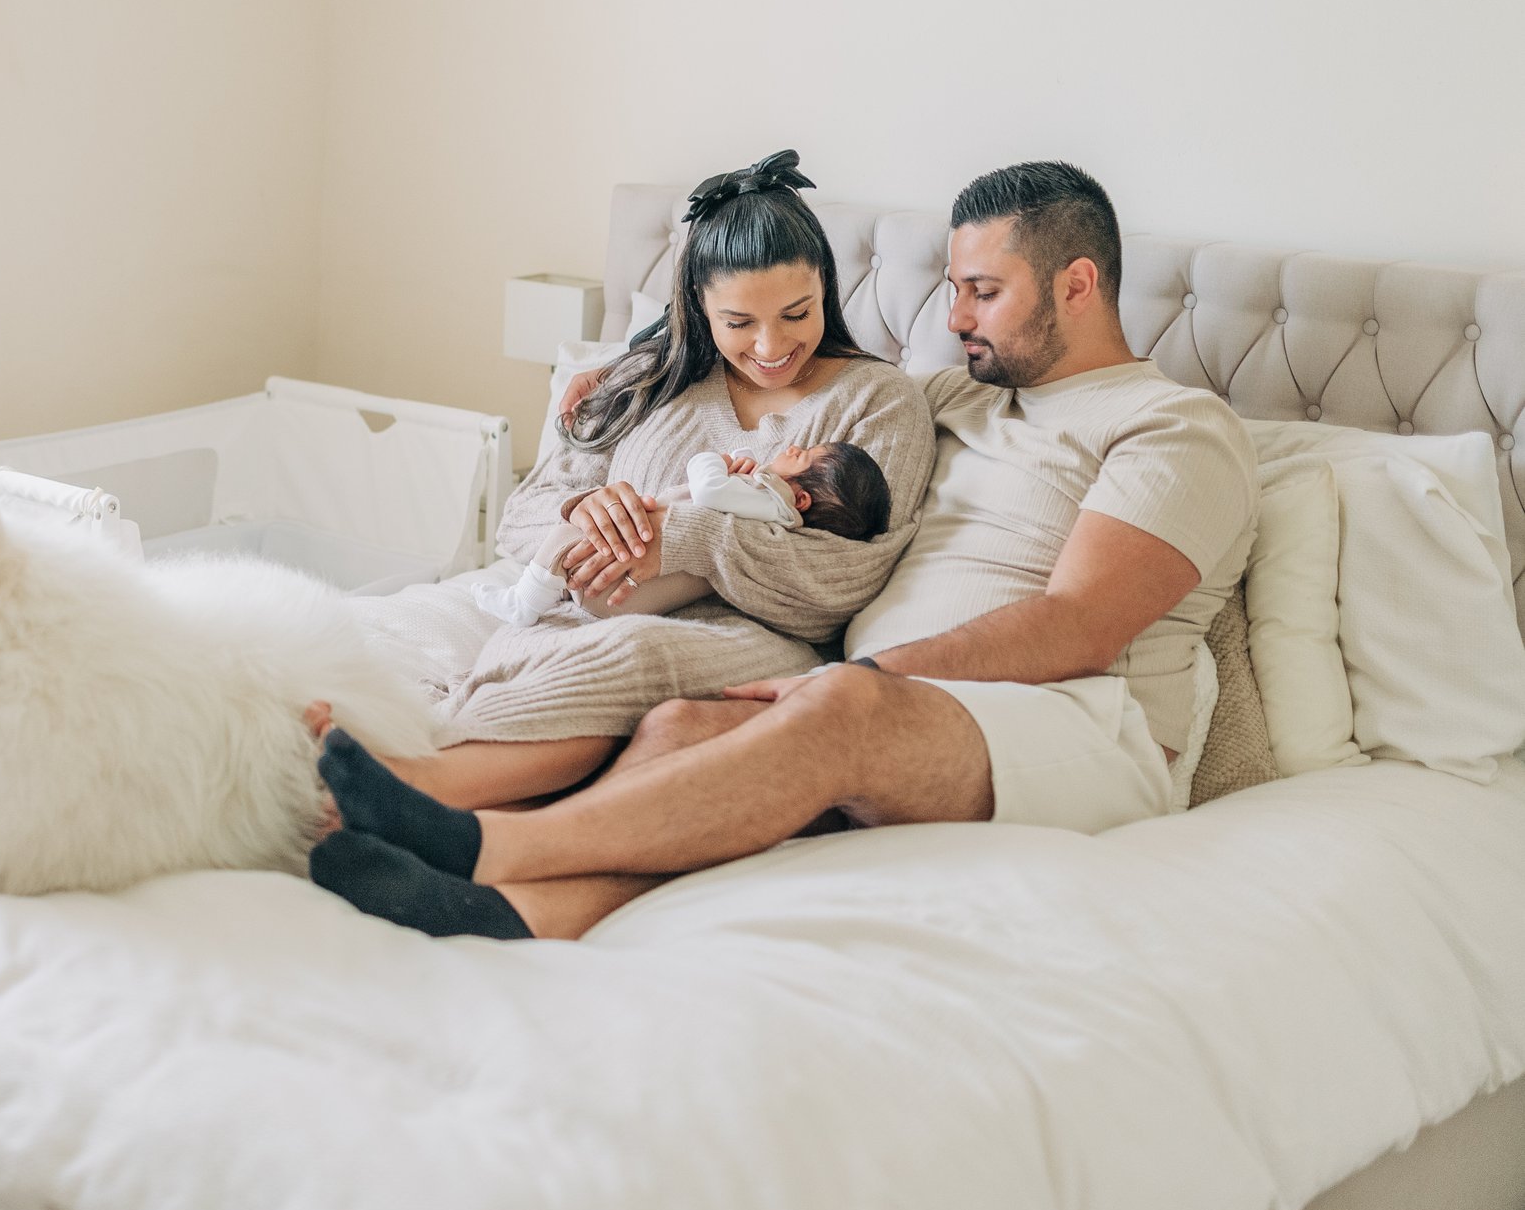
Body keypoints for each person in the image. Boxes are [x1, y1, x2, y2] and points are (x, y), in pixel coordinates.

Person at [315, 160, 1258, 941]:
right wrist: (617, 386)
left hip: (1077, 728)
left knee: (838, 705)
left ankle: (484, 844)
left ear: (1078, 284)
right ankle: (509, 913)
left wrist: (864, 675)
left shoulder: (1173, 427)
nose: (956, 316)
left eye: (983, 292)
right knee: (680, 727)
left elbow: (1079, 627)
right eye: (954, 290)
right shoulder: (957, 399)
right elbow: (801, 422)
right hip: (910, 706)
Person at [354, 150, 937, 813]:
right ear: (699, 306)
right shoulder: (651, 380)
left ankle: (405, 800)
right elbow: (520, 521)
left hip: (747, 634)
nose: (772, 346)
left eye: (797, 313)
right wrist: (584, 512)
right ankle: (419, 789)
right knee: (425, 651)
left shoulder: (879, 401)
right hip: (576, 605)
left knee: (627, 655)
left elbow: (849, 580)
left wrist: (686, 537)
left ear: (826, 291)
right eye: (739, 323)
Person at [475, 441, 891, 627]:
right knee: (585, 518)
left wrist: (711, 459)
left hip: (621, 586)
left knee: (571, 530)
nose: (788, 448)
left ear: (801, 499)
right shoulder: (771, 511)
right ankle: (549, 590)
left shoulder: (772, 502)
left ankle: (523, 603)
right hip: (623, 594)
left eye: (800, 455)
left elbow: (709, 489)